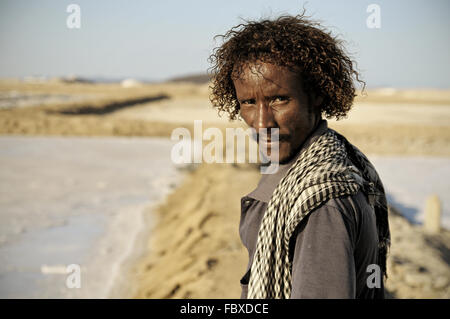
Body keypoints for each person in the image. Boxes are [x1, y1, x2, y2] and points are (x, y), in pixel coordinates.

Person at [208, 14, 390, 299]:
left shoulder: (321, 202)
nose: (261, 122)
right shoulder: (320, 158)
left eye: (279, 99)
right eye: (248, 102)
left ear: (316, 94)